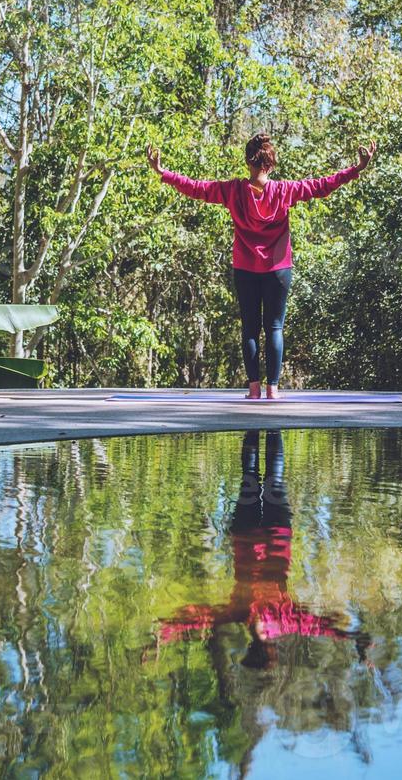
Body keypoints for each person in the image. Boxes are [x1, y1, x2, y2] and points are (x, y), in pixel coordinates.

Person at [149, 134, 376, 400]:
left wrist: (163, 172)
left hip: (245, 268)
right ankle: (273, 390)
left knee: (250, 328)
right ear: (271, 164)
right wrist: (356, 169)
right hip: (278, 269)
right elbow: (322, 186)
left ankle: (254, 390)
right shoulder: (284, 191)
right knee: (275, 328)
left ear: (248, 161)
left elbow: (197, 188)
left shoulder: (232, 190)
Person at [156, 431, 367, 668]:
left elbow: (202, 618)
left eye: (256, 645)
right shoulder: (281, 620)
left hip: (247, 532)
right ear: (265, 647)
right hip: (274, 532)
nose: (257, 638)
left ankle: (255, 425)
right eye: (260, 646)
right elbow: (318, 626)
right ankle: (269, 425)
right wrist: (351, 637)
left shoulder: (241, 614)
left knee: (252, 477)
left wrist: (167, 632)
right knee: (269, 479)